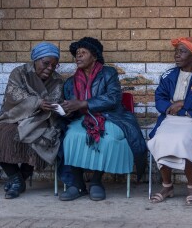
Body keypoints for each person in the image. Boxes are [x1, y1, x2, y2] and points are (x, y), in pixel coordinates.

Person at [59, 37, 146, 202]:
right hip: (82, 119)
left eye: (83, 53)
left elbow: (114, 98)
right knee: (70, 136)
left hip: (112, 117)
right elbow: (72, 107)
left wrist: (83, 103)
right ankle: (77, 185)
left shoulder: (108, 73)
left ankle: (96, 182)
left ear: (94, 56)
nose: (78, 56)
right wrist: (66, 110)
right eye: (77, 54)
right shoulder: (70, 82)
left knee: (104, 138)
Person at [148, 37, 192, 206]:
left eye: (182, 51)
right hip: (171, 119)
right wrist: (177, 108)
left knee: (183, 140)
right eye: (176, 51)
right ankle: (167, 186)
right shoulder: (168, 76)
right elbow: (160, 100)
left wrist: (183, 103)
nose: (177, 55)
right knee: (159, 140)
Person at [0, 42, 63, 199]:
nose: (50, 68)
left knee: (40, 138)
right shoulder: (19, 73)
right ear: (35, 60)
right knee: (0, 134)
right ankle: (16, 178)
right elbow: (13, 95)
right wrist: (37, 102)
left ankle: (18, 181)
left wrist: (49, 105)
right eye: (46, 63)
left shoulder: (57, 80)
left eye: (54, 65)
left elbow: (56, 100)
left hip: (41, 119)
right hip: (14, 117)